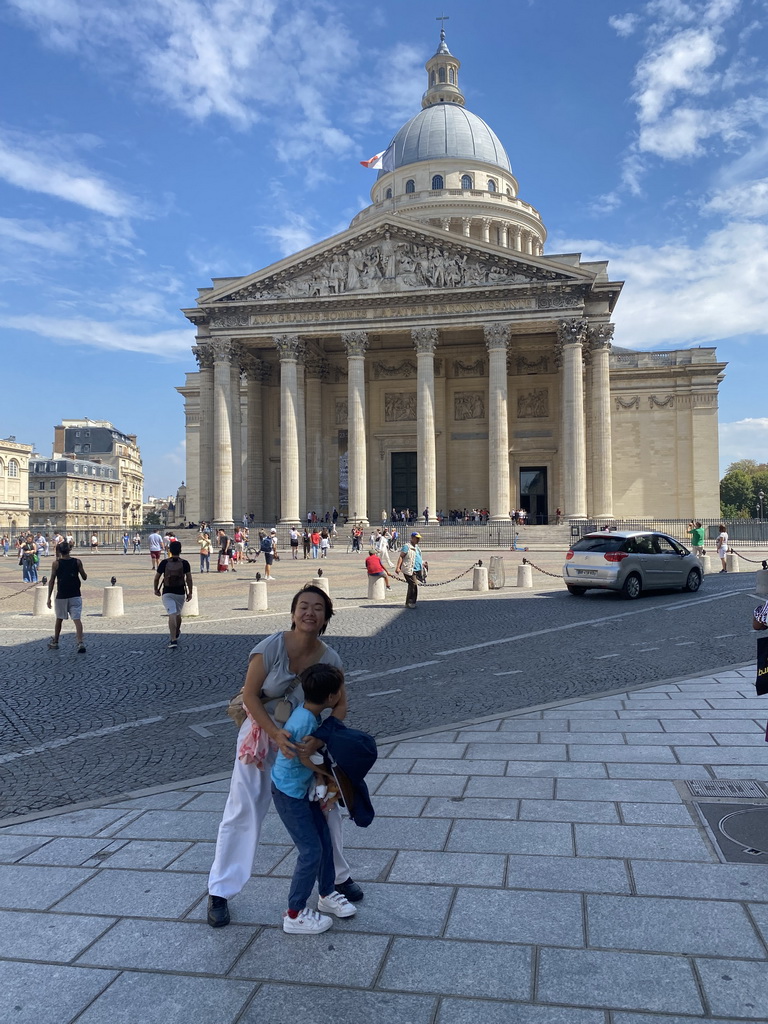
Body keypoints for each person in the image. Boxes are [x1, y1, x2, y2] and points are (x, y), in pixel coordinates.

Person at [206, 585, 362, 928]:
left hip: (305, 744)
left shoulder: (331, 658)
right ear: (293, 613)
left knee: (326, 809)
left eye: (318, 608)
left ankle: (335, 879)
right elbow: (249, 695)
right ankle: (220, 891)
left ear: (326, 617)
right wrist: (276, 733)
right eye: (303, 606)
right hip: (262, 738)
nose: (310, 612)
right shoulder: (270, 647)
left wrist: (319, 740)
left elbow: (341, 705)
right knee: (243, 808)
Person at [270, 663, 356, 933]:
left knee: (324, 842)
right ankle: (294, 913)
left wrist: (319, 779)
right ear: (331, 697)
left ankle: (327, 894)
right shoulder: (306, 721)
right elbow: (305, 757)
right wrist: (326, 774)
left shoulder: (308, 712)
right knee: (311, 851)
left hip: (299, 789)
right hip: (288, 793)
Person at [46, 541, 87, 653]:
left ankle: (56, 642)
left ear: (59, 551)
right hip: (75, 594)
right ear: (70, 550)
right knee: (77, 619)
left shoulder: (56, 563)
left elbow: (51, 581)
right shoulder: (77, 562)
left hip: (62, 595)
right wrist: (80, 571)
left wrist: (49, 597)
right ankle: (80, 642)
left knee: (59, 619)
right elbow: (84, 577)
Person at [154, 540, 193, 649]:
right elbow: (189, 579)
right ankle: (176, 632)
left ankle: (173, 639)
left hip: (167, 591)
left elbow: (157, 578)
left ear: (170, 550)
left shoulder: (164, 563)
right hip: (180, 592)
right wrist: (190, 592)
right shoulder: (185, 563)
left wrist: (156, 589)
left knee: (172, 613)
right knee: (177, 613)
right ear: (180, 550)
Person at [396, 531, 424, 608]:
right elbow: (401, 556)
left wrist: (422, 563)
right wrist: (398, 567)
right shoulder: (407, 546)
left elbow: (417, 557)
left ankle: (408, 602)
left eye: (419, 538)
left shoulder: (417, 547)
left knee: (411, 586)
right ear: (412, 538)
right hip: (409, 569)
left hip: (417, 569)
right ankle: (412, 602)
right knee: (414, 585)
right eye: (416, 538)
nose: (418, 540)